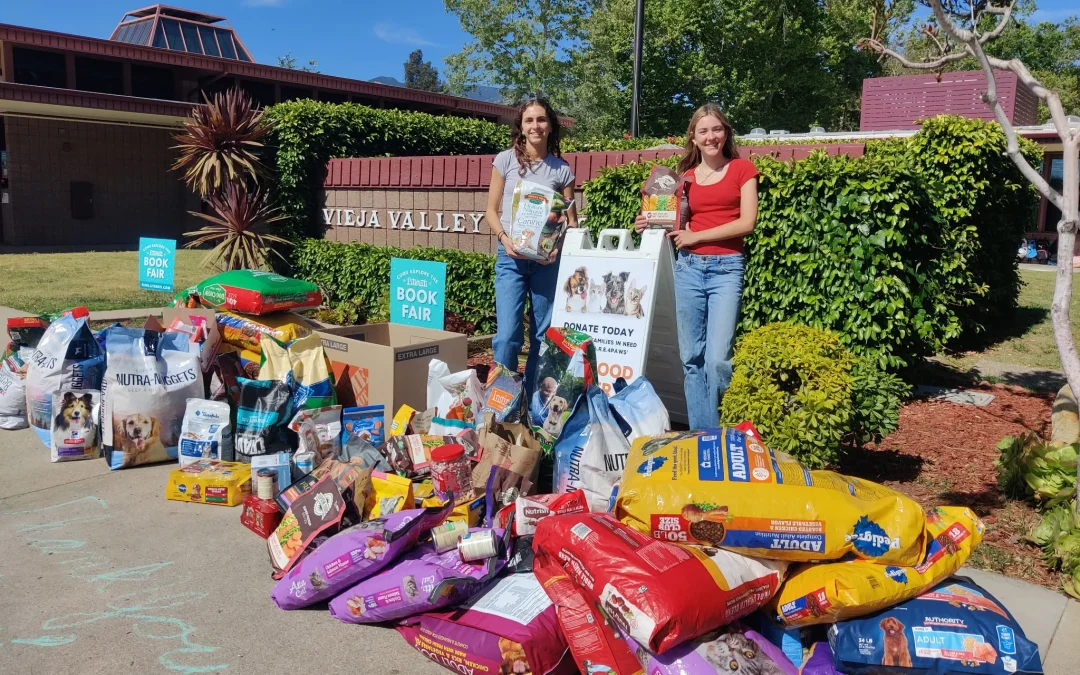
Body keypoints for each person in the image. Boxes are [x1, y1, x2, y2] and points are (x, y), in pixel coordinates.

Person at [636, 103, 758, 429]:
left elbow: (747, 223)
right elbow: (675, 223)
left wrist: (697, 236)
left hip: (726, 270)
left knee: (718, 360)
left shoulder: (743, 169)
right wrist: (648, 222)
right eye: (703, 131)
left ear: (726, 133)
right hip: (688, 268)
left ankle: (722, 427)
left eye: (716, 129)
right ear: (693, 137)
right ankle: (703, 435)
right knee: (691, 360)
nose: (710, 136)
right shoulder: (684, 179)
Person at [485, 98, 577, 394]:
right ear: (521, 127)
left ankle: (534, 399)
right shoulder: (505, 161)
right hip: (510, 258)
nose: (535, 126)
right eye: (529, 120)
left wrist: (557, 247)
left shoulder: (562, 170)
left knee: (542, 335)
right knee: (507, 336)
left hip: (546, 264)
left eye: (541, 120)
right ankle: (502, 400)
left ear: (550, 126)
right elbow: (490, 211)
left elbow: (571, 222)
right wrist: (505, 238)